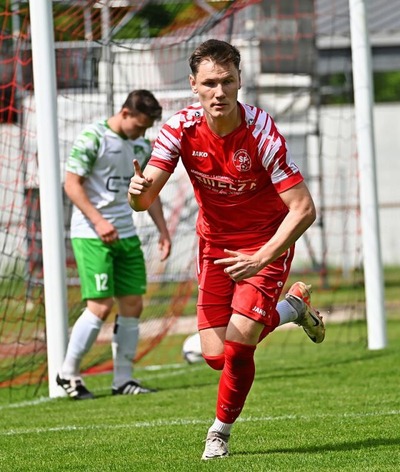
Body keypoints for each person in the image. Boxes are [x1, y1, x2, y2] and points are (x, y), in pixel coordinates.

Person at [127, 39, 325, 460]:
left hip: (263, 243)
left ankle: (219, 433)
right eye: (211, 83)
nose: (220, 92)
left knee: (238, 348)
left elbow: (304, 209)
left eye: (228, 82)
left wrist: (263, 256)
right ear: (194, 85)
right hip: (215, 246)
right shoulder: (179, 129)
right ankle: (293, 309)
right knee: (216, 356)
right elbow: (144, 201)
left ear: (239, 82)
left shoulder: (261, 131)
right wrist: (136, 194)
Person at [56, 90, 172, 399]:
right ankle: (67, 374)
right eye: (139, 125)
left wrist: (163, 230)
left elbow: (148, 193)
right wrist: (98, 220)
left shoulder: (141, 145)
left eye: (147, 127)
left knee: (133, 303)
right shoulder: (92, 138)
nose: (142, 132)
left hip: (126, 234)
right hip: (93, 234)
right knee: (101, 305)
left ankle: (123, 380)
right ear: (125, 113)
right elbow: (71, 184)